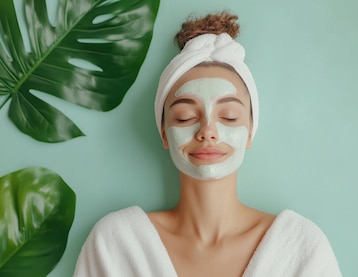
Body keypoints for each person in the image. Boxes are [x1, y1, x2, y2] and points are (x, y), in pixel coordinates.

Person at [74, 11, 341, 277]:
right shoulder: (116, 245)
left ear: (249, 132)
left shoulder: (299, 249)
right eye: (185, 117)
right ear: (165, 133)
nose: (208, 131)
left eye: (229, 116)